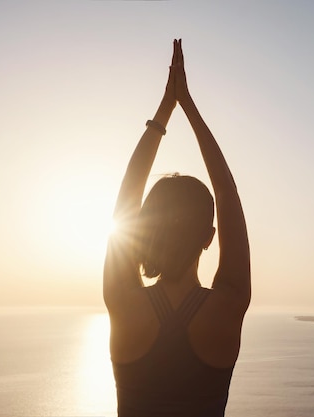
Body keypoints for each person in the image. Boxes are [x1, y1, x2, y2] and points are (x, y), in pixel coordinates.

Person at [103, 39, 251, 417]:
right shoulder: (228, 305)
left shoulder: (123, 302)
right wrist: (188, 105)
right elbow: (227, 192)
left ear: (143, 230)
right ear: (209, 238)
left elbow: (127, 197)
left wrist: (164, 111)